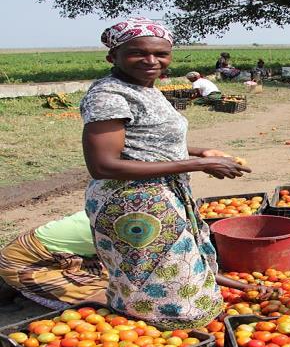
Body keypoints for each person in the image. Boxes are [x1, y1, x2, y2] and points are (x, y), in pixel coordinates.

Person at [80, 17, 251, 329]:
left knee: (175, 271)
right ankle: (165, 338)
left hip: (159, 195)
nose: (151, 60)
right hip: (131, 203)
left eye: (161, 54)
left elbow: (147, 143)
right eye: (137, 53)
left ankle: (174, 334)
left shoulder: (146, 88)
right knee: (158, 278)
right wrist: (199, 164)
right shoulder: (109, 95)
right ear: (113, 56)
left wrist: (200, 152)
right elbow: (104, 165)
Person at [0, 210, 274, 311]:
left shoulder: (138, 218)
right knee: (109, 300)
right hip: (27, 261)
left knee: (126, 285)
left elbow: (190, 264)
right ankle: (22, 288)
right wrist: (244, 288)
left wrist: (244, 288)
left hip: (73, 256)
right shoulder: (129, 232)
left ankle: (21, 290)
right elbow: (181, 268)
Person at [0, 211, 108, 309]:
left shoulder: (109, 212)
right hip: (24, 262)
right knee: (106, 302)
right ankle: (24, 288)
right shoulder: (110, 229)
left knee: (113, 285)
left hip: (69, 258)